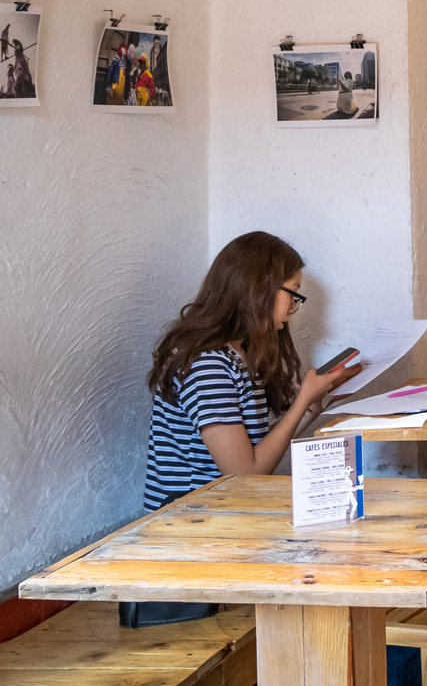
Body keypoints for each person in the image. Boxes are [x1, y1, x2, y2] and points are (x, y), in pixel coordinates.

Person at [136, 232, 363, 623]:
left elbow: (253, 457)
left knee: (348, 545)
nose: (295, 307)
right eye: (292, 293)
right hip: (190, 535)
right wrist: (302, 404)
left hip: (222, 519)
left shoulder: (238, 353)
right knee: (338, 574)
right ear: (258, 289)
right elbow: (245, 473)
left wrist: (310, 407)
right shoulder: (208, 363)